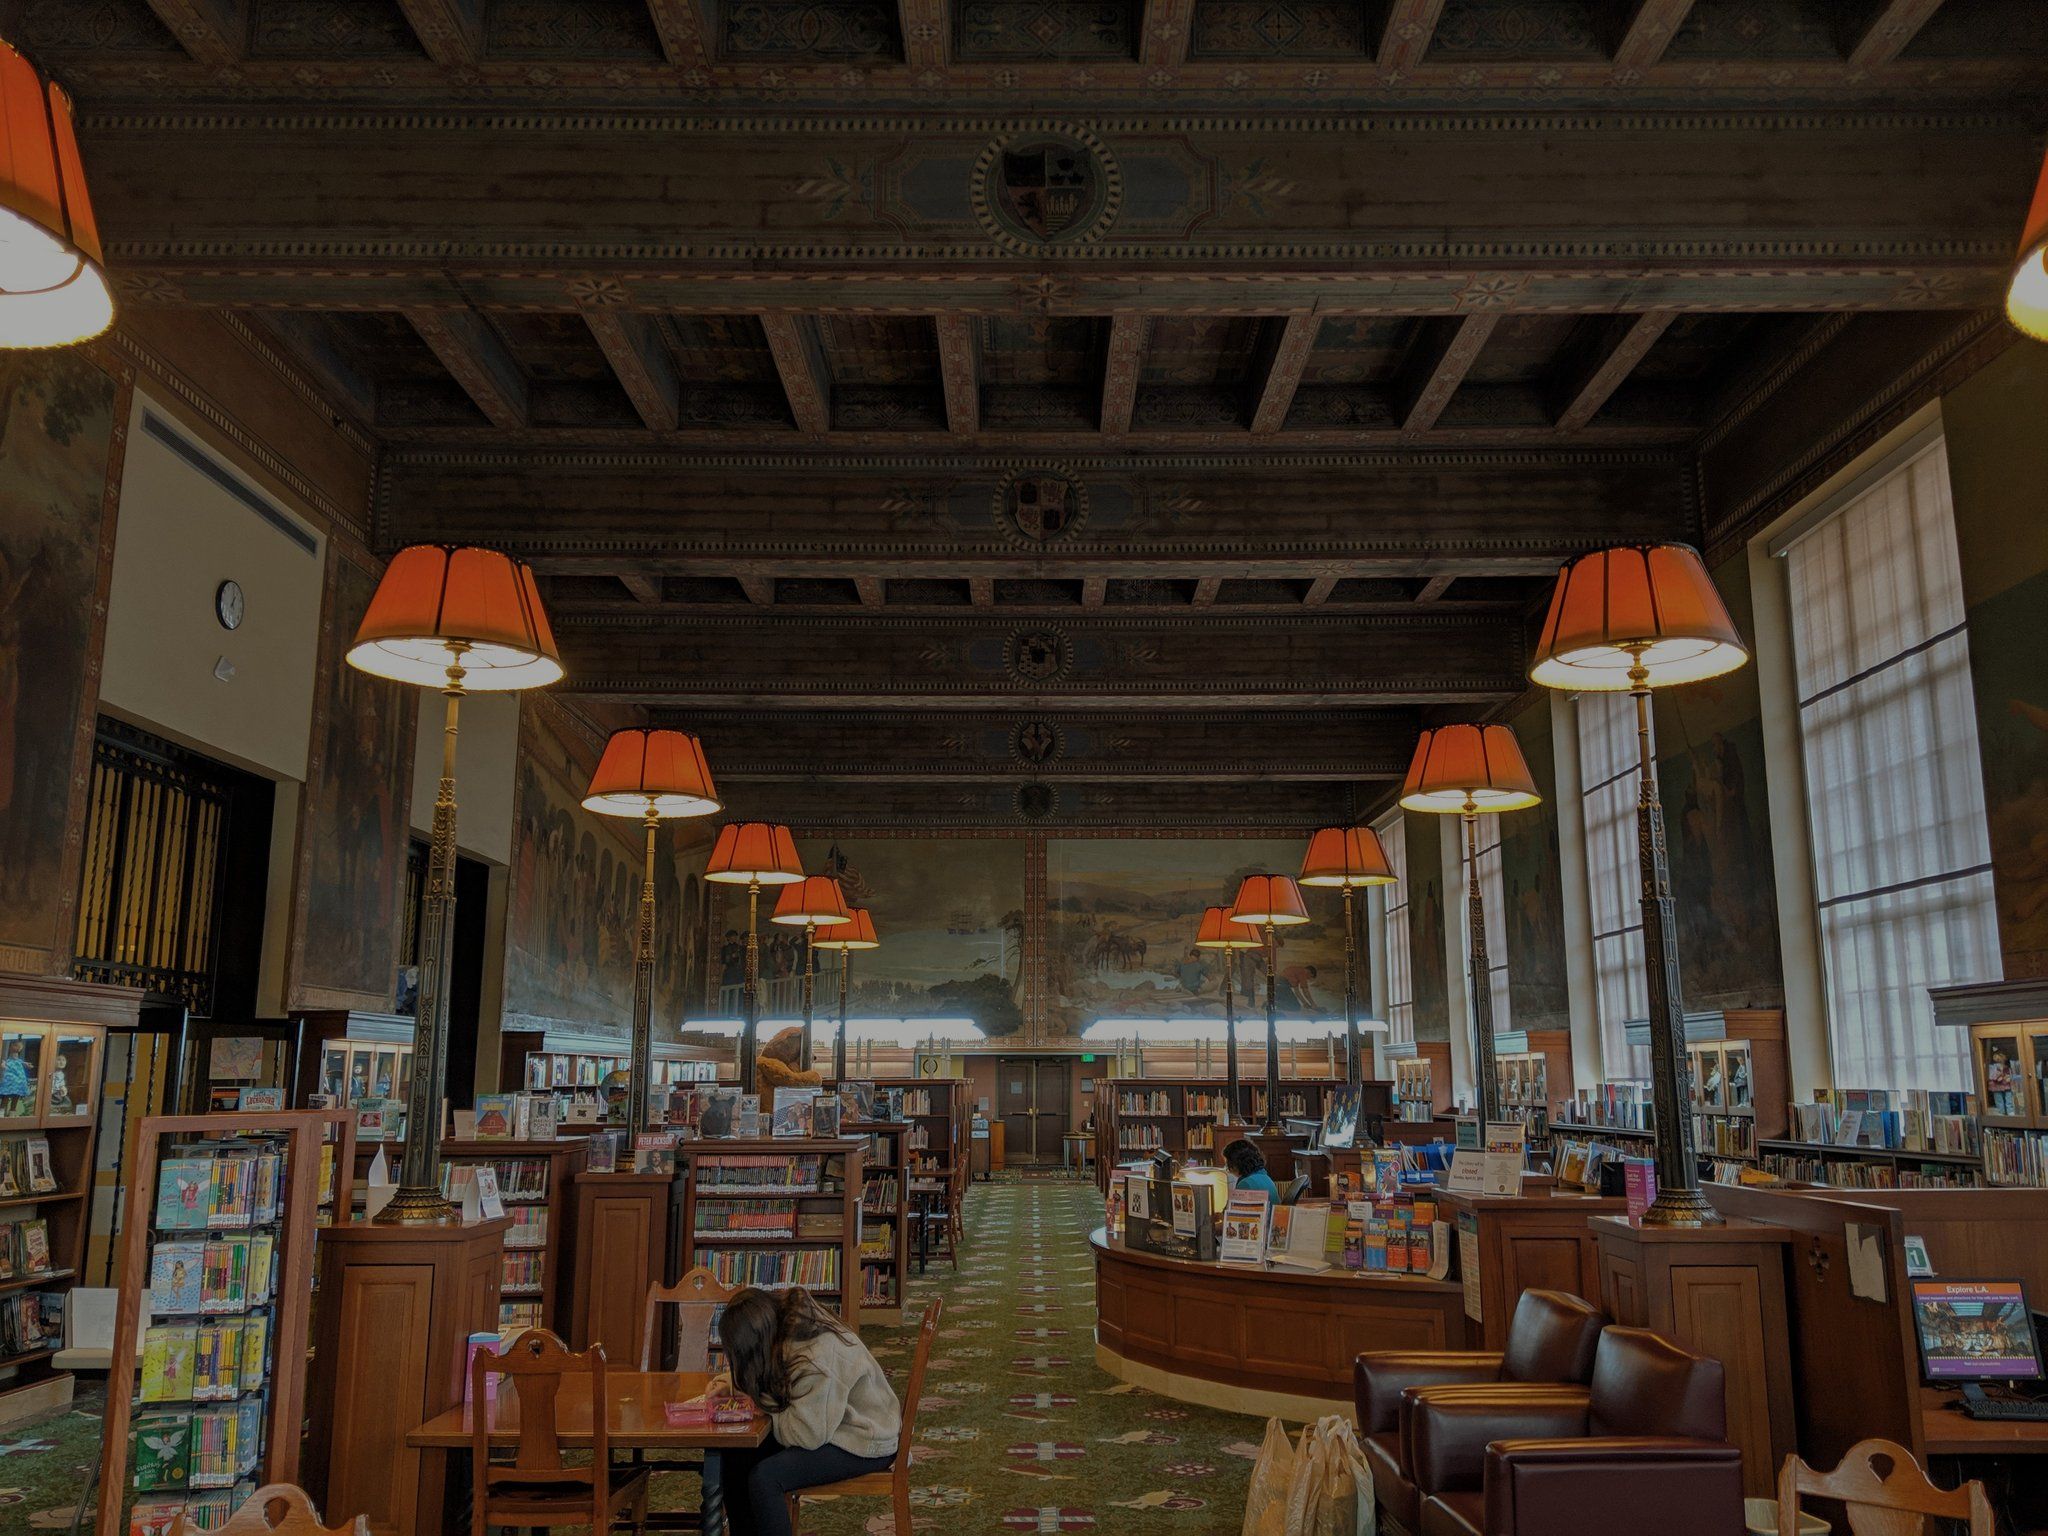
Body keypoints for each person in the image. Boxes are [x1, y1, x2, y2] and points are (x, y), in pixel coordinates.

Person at [704, 1287, 901, 1536]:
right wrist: (734, 1383)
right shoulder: (784, 1327)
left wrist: (761, 1405)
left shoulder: (815, 1359)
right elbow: (780, 1377)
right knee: (738, 1456)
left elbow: (807, 1434)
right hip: (835, 1424)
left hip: (865, 1438)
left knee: (766, 1478)